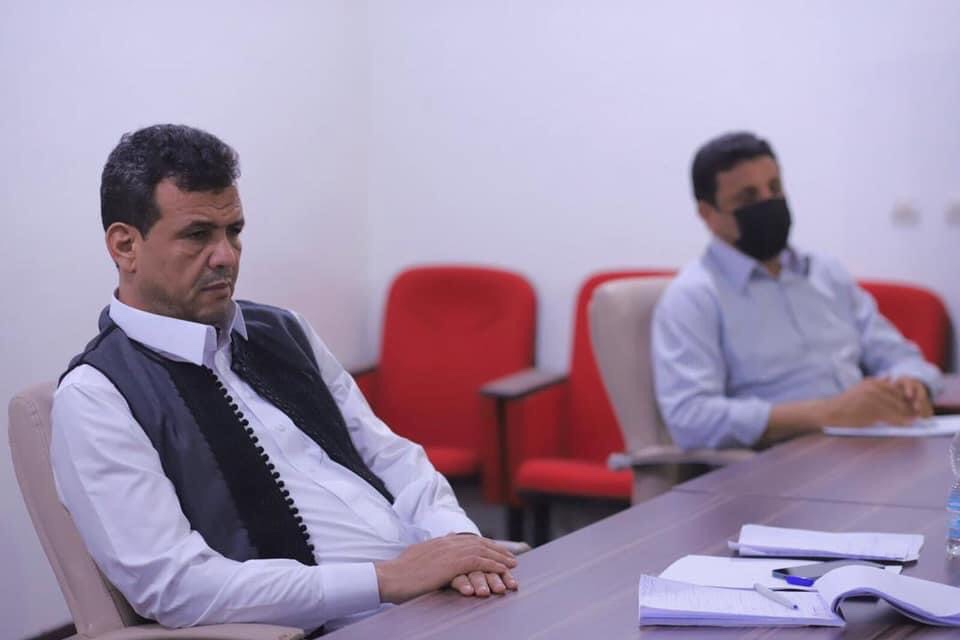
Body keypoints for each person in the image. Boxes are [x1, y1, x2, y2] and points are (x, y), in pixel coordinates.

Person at [50, 124, 518, 634]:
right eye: (197, 235)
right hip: (339, 622)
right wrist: (384, 580)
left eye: (234, 231)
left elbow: (390, 457)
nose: (226, 255)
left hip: (438, 597)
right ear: (125, 246)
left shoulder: (283, 330)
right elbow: (175, 585)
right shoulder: (98, 396)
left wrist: (457, 543)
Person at [652, 131, 943, 450]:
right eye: (748, 197)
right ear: (708, 214)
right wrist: (826, 413)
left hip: (870, 442)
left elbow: (901, 357)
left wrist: (912, 383)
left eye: (775, 188)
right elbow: (691, 418)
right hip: (782, 460)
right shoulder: (693, 297)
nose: (768, 202)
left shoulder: (826, 273)